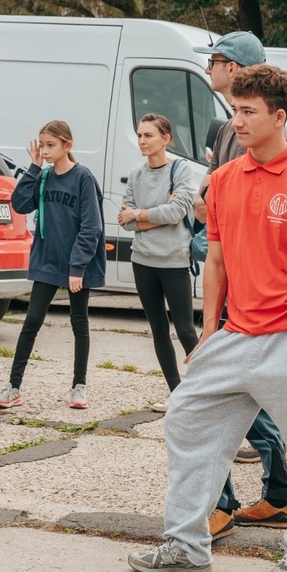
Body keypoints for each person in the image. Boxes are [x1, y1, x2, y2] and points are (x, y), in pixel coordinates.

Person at [128, 64, 287, 572]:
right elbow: (218, 263)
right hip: (235, 333)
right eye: (235, 111)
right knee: (184, 417)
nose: (238, 121)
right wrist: (208, 333)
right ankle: (186, 545)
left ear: (279, 116)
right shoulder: (222, 181)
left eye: (248, 112)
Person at [190, 31, 287, 540]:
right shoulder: (228, 126)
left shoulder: (252, 131)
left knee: (217, 401)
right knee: (242, 398)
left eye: (214, 62)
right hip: (227, 289)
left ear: (233, 67)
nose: (209, 71)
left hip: (246, 299)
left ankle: (224, 505)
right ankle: (276, 494)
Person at [0, 120, 105, 411]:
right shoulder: (42, 177)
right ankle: (13, 387)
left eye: (51, 145)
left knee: (79, 321)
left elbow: (91, 226)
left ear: (67, 145)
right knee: (31, 321)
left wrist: (78, 266)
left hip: (75, 265)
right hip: (47, 260)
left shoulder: (83, 178)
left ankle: (79, 386)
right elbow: (19, 204)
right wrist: (32, 168)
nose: (45, 150)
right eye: (42, 144)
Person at [118, 114, 198, 411]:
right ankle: (176, 392)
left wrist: (139, 215)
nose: (142, 141)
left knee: (187, 330)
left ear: (166, 138)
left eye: (148, 135)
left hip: (174, 262)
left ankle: (205, 389)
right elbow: (124, 221)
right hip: (143, 262)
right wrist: (152, 216)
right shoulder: (137, 175)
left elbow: (176, 212)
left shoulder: (181, 170)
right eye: (139, 135)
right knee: (159, 328)